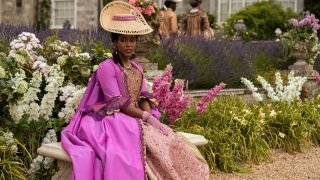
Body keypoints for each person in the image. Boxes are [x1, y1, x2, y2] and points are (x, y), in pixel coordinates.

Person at [61, 1, 210, 179]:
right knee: (129, 144)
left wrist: (149, 117)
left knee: (166, 137)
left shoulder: (137, 67)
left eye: (132, 40)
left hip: (135, 114)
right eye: (123, 40)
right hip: (112, 116)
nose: (129, 44)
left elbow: (143, 96)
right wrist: (145, 117)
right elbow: (118, 102)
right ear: (115, 42)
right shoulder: (106, 67)